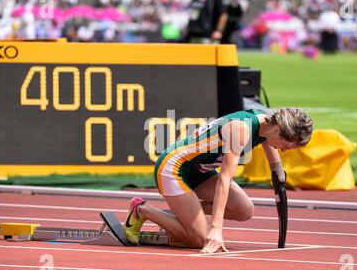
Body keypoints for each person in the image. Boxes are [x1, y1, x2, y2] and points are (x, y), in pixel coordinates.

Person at [124, 108, 313, 253]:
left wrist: (280, 180)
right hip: (174, 168)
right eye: (287, 146)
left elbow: (277, 170)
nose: (284, 150)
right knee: (199, 240)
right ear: (279, 130)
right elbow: (224, 178)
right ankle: (142, 209)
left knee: (244, 209)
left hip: (200, 170)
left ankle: (184, 212)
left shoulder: (267, 127)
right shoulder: (241, 129)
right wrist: (216, 229)